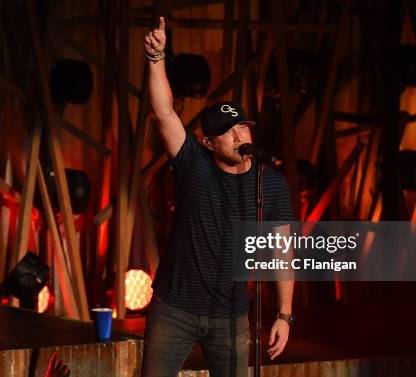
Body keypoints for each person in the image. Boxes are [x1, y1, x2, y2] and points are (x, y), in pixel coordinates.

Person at [142, 17, 295, 377]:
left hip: (231, 314)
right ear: (209, 142)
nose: (239, 134)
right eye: (228, 131)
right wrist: (157, 58)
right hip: (174, 308)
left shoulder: (269, 184)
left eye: (242, 126)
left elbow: (281, 253)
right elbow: (163, 112)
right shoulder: (193, 163)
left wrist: (284, 314)